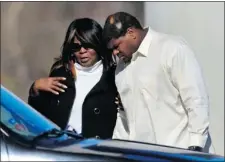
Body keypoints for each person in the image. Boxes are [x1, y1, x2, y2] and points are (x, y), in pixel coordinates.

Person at [103, 12, 214, 152]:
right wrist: (117, 147)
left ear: (131, 33)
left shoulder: (172, 48)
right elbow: (125, 116)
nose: (114, 52)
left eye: (116, 46)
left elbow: (196, 99)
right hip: (144, 155)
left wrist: (196, 146)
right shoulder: (121, 69)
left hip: (182, 152)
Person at [28, 18, 118, 139]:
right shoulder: (60, 74)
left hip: (96, 152)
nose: (82, 51)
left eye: (88, 45)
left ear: (98, 44)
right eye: (76, 47)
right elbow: (38, 118)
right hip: (61, 149)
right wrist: (35, 89)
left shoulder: (114, 77)